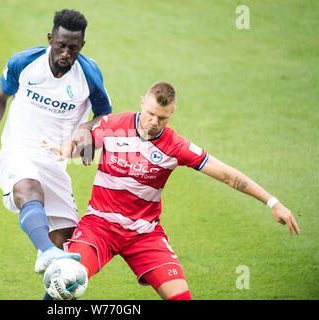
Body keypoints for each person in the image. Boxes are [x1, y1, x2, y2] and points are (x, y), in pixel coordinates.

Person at [44, 81, 300, 300]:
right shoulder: (114, 125)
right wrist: (71, 147)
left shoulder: (175, 146)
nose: (154, 122)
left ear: (172, 113)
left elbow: (227, 175)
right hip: (99, 227)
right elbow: (85, 139)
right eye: (151, 113)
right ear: (143, 102)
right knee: (64, 281)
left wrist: (272, 202)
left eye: (162, 118)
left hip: (143, 235)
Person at [0, 9, 112, 276]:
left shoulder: (89, 75)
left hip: (55, 164)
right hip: (17, 152)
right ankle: (45, 251)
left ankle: (53, 264)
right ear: (51, 38)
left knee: (68, 252)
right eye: (61, 46)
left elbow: (104, 115)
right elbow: (0, 98)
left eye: (73, 48)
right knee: (29, 190)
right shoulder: (24, 62)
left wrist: (87, 128)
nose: (66, 54)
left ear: (82, 46)